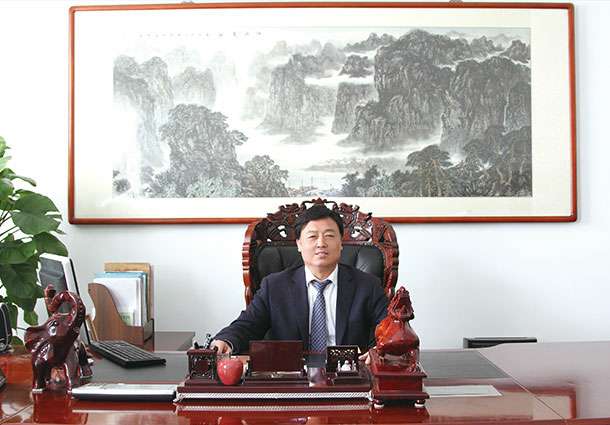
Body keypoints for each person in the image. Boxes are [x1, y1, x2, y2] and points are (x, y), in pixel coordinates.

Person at [211, 205, 388, 356]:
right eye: (312, 236)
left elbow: (388, 332)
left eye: (329, 235)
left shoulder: (367, 286)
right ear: (299, 244)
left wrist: (376, 352)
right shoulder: (274, 287)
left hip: (348, 375)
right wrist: (226, 341)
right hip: (290, 375)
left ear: (341, 243)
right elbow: (247, 325)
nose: (321, 243)